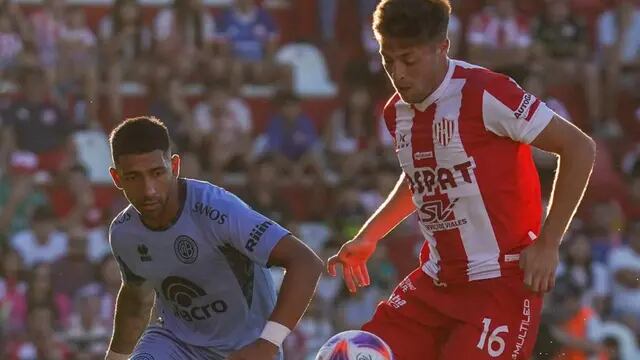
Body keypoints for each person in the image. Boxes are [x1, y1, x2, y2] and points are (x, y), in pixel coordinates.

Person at [327, 1, 596, 359]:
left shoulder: (486, 92)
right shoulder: (397, 111)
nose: (399, 73)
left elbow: (579, 148)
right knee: (348, 354)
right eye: (388, 60)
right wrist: (368, 236)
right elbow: (421, 179)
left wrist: (549, 243)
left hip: (500, 286)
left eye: (409, 59)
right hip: (435, 283)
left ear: (442, 47)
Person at [104, 116, 323, 360]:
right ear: (117, 179)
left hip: (243, 350)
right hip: (175, 344)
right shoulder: (124, 232)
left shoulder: (218, 210)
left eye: (157, 173)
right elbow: (136, 301)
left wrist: (268, 344)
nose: (149, 190)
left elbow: (306, 262)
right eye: (134, 177)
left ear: (174, 167)